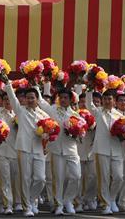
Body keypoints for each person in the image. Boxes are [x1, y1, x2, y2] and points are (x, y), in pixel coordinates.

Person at [2, 82, 48, 217]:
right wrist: (7, 83)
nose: (30, 100)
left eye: (32, 97)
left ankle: (31, 199)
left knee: (40, 178)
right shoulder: (20, 110)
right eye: (27, 98)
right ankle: (27, 206)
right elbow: (12, 97)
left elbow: (49, 131)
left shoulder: (43, 114)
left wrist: (46, 137)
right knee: (26, 178)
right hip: (24, 148)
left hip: (38, 149)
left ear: (37, 99)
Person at [35, 86, 81, 216]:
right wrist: (36, 86)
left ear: (70, 100)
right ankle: (58, 204)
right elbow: (41, 102)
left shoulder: (75, 115)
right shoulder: (52, 109)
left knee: (76, 176)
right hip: (55, 149)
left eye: (66, 98)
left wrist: (74, 133)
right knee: (58, 179)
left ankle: (68, 200)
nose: (63, 100)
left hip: (71, 149)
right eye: (61, 98)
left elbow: (80, 134)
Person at [84, 89, 125, 215]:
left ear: (114, 101)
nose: (107, 101)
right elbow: (89, 104)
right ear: (102, 101)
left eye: (109, 99)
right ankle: (105, 204)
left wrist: (124, 135)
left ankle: (112, 199)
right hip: (101, 149)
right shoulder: (98, 112)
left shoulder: (120, 116)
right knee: (104, 178)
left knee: (118, 177)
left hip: (116, 149)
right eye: (105, 99)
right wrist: (90, 89)